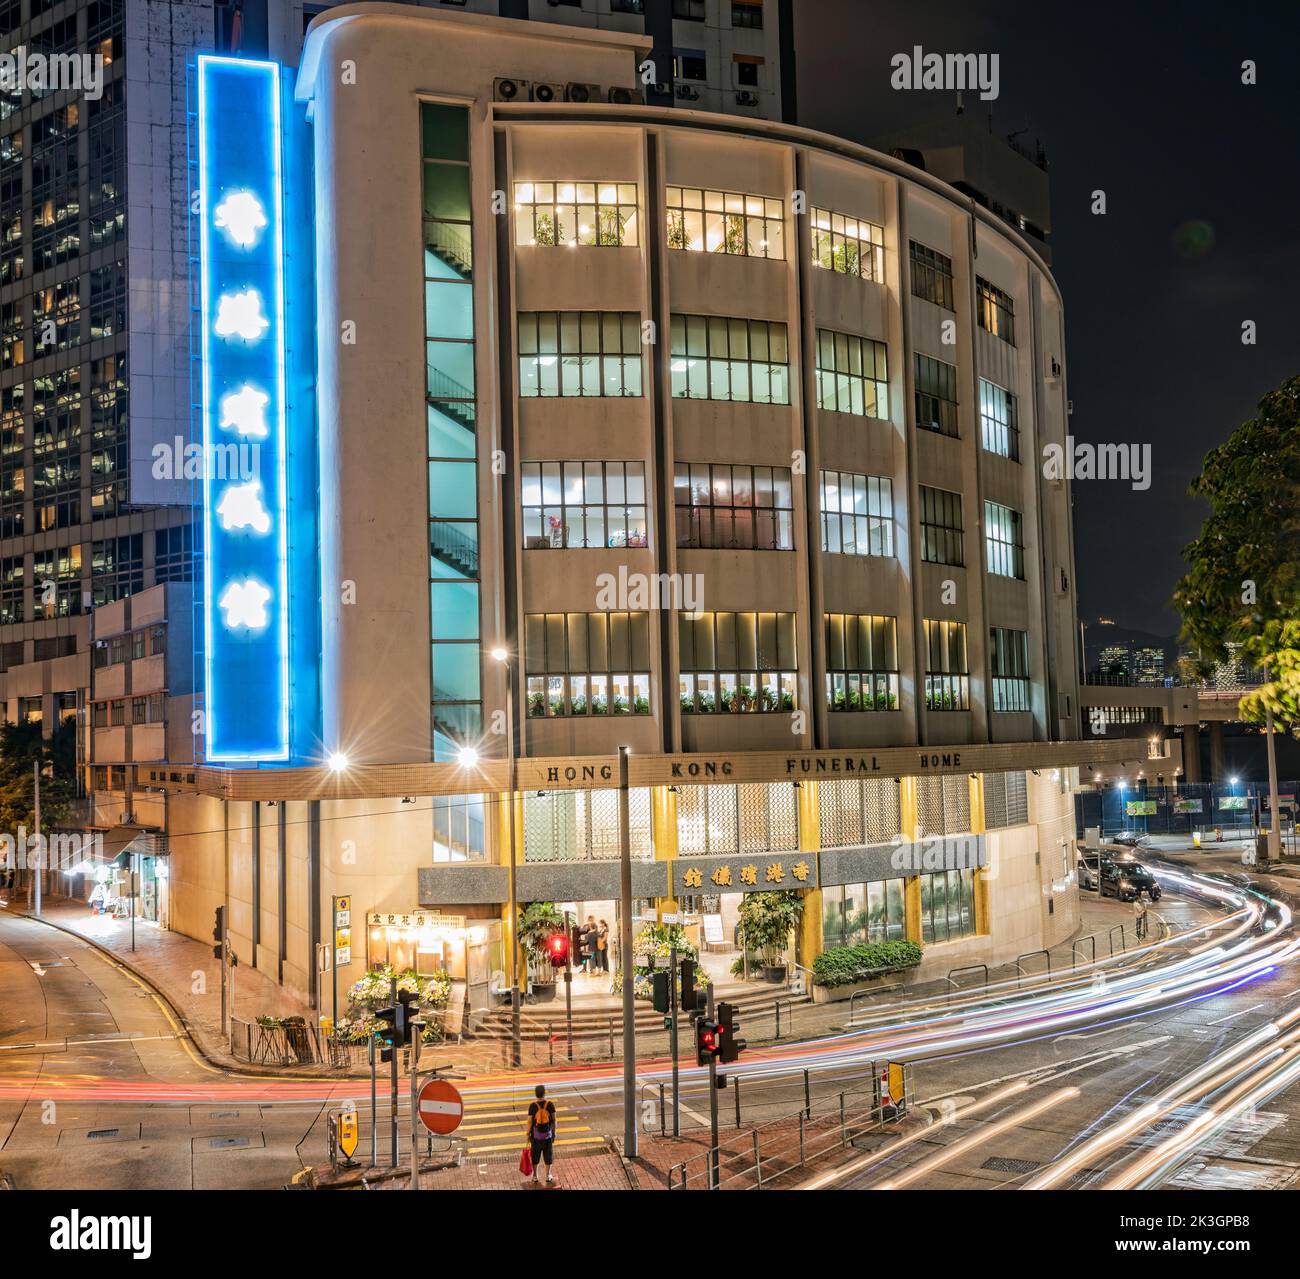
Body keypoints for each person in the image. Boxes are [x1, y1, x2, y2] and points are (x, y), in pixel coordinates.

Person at [526, 1084, 557, 1186]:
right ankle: (548, 1176)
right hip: (547, 1136)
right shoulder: (550, 1104)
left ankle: (535, 1176)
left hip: (535, 1137)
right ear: (544, 1093)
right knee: (548, 1156)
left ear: (535, 1094)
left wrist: (527, 1134)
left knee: (535, 1156)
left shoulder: (533, 1106)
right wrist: (554, 1133)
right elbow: (554, 1120)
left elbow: (529, 1122)